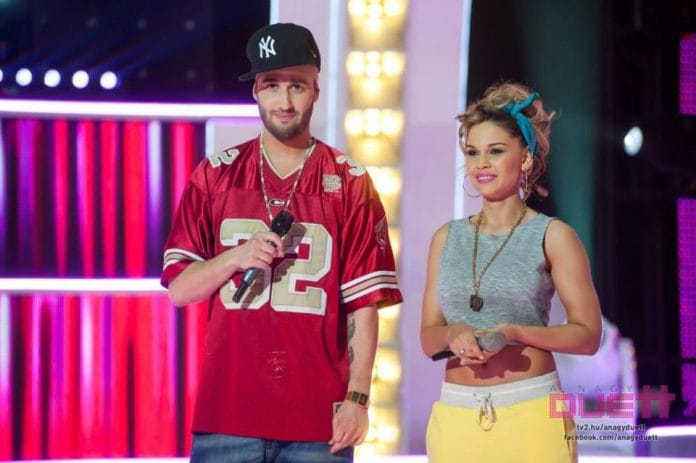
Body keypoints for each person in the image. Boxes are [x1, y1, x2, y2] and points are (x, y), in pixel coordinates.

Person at [161, 22, 403, 462]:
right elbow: (180, 290)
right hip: (227, 416)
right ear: (256, 90)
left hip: (318, 423)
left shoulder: (349, 182)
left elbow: (363, 305)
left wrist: (358, 398)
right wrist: (234, 257)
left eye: (297, 85)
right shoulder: (214, 175)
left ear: (316, 90)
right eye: (272, 85)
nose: (285, 101)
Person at [420, 81, 602, 462]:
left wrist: (515, 333)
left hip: (531, 414)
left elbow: (588, 336)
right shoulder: (446, 238)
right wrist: (453, 333)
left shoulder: (553, 236)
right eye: (472, 152)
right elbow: (428, 337)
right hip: (457, 417)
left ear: (526, 158)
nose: (481, 164)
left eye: (496, 151)